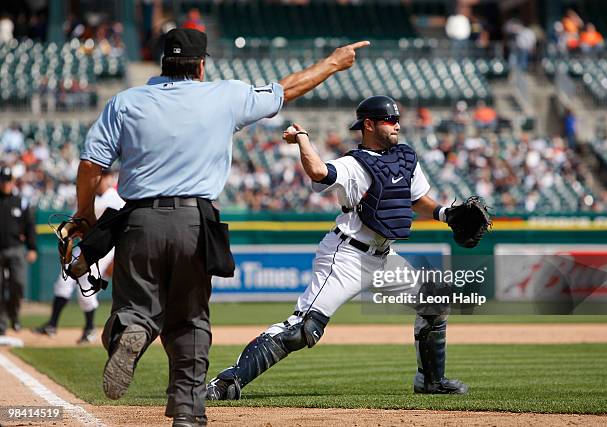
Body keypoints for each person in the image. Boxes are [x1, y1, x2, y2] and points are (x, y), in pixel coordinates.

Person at [75, 28, 369, 427]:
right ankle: (187, 411)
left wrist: (85, 216)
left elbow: (92, 164)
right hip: (195, 222)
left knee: (135, 311)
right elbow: (287, 89)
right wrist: (334, 62)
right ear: (200, 65)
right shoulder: (225, 95)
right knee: (190, 320)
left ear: (163, 63)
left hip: (138, 221)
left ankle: (134, 331)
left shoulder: (125, 102)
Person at [205, 95, 469, 402]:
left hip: (385, 259)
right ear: (368, 125)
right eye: (389, 120)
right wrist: (303, 138)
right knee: (304, 328)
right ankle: (228, 381)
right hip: (347, 257)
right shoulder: (352, 163)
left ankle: (430, 381)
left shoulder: (405, 158)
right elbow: (318, 172)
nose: (396, 125)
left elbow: (416, 200)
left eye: (397, 119)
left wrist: (445, 214)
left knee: (435, 304)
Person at [32, 169, 124, 344]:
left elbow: (122, 229)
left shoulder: (114, 198)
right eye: (100, 176)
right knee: (62, 282)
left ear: (108, 178)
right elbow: (76, 222)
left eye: (104, 176)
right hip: (83, 246)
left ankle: (89, 329)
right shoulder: (87, 197)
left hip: (103, 251)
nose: (101, 179)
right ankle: (52, 324)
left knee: (85, 290)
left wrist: (116, 258)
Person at [0, 166, 37, 335]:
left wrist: (32, 247)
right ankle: (1, 323)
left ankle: (14, 317)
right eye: (2, 181)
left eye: (7, 181)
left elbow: (30, 225)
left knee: (18, 284)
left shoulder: (20, 201)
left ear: (12, 182)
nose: (5, 184)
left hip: (16, 249)